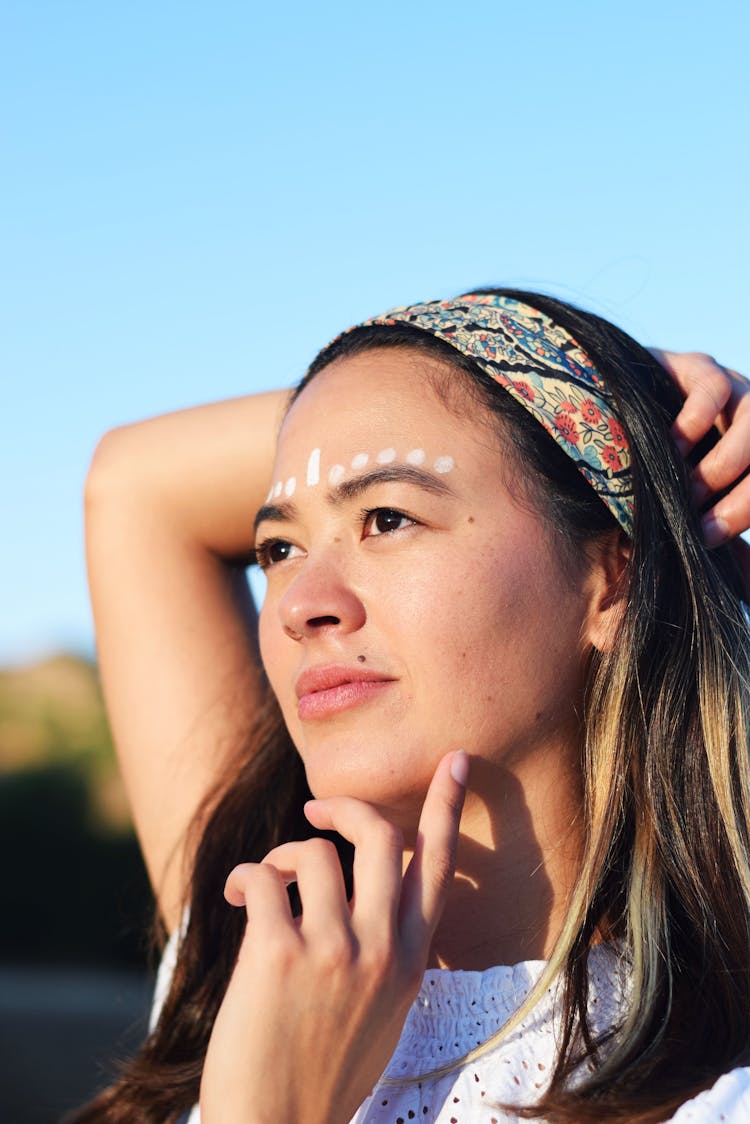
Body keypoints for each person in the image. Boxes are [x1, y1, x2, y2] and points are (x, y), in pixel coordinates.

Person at [73, 290, 750, 1124]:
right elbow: (134, 482)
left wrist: (624, 412)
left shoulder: (716, 1097)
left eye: (387, 518)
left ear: (610, 578)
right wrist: (598, 380)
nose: (298, 605)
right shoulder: (249, 942)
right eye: (278, 548)